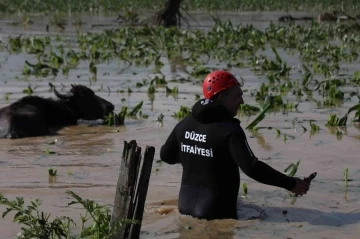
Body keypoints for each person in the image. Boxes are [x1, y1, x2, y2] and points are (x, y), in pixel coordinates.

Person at [160, 70, 311, 220]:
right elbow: (252, 168)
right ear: (220, 97)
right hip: (217, 213)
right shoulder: (230, 129)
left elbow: (166, 156)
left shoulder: (185, 123)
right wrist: (291, 183)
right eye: (237, 95)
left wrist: (196, 155)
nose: (242, 101)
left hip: (184, 208)